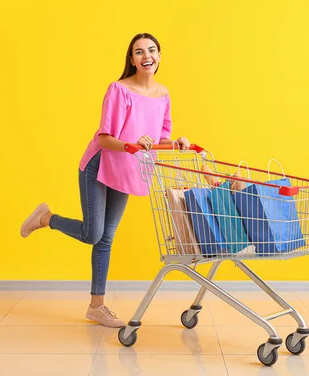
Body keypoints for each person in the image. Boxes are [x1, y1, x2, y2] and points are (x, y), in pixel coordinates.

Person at [20, 33, 190, 327]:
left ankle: (96, 307)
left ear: (160, 56)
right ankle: (46, 217)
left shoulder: (163, 94)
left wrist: (176, 143)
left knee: (106, 237)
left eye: (151, 50)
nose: (146, 56)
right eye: (139, 52)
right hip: (100, 163)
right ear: (132, 59)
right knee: (93, 234)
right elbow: (105, 138)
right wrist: (132, 144)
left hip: (128, 168)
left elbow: (158, 140)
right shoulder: (118, 90)